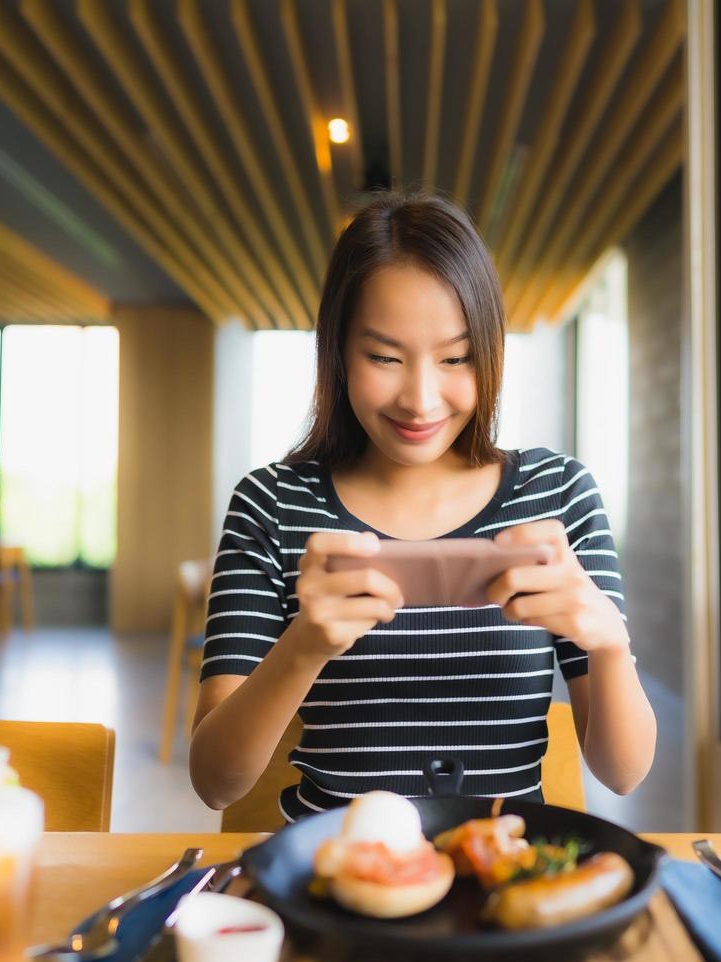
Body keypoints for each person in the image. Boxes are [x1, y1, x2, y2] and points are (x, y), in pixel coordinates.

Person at [188, 190, 656, 821]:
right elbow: (215, 783)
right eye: (384, 356)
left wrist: (607, 642)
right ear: (338, 354)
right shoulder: (272, 504)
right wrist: (303, 647)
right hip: (333, 880)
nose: (421, 399)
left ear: (489, 353)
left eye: (456, 358)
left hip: (503, 877)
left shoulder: (556, 493)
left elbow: (623, 774)